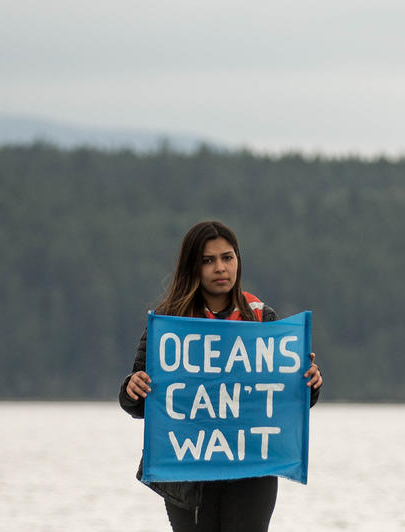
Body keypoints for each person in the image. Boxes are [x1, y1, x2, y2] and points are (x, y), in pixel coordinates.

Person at [118, 220, 323, 532]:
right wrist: (132, 389)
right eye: (208, 260)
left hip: (251, 468)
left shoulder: (261, 317)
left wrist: (308, 383)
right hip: (187, 473)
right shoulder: (168, 322)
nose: (220, 268)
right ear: (193, 267)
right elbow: (139, 403)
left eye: (227, 258)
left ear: (238, 260)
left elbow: (286, 400)